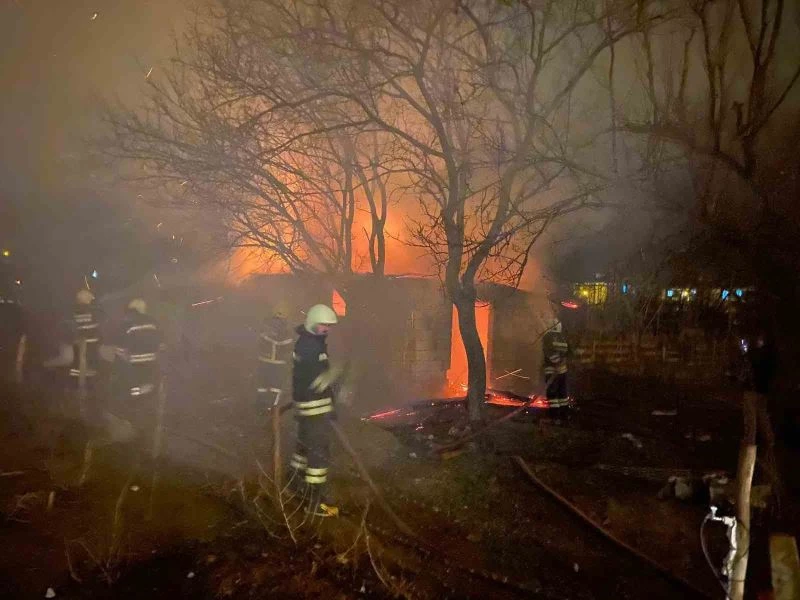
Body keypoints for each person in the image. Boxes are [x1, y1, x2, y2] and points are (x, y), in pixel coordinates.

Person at [291, 303, 341, 518]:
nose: (326, 328)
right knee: (318, 455)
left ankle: (294, 484)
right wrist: (333, 375)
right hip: (314, 408)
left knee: (303, 448)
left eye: (329, 325)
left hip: (308, 407)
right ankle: (314, 502)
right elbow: (314, 380)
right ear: (312, 323)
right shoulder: (310, 346)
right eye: (323, 324)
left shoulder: (310, 342)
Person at [112, 298, 162, 437]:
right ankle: (147, 432)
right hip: (152, 370)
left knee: (128, 395)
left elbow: (120, 351)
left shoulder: (126, 323)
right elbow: (161, 348)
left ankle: (130, 430)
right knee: (147, 398)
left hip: (133, 372)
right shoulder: (154, 323)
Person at [255, 302, 294, 413]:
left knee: (263, 385)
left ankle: (262, 407)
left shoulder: (266, 325)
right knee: (275, 387)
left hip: (264, 361)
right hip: (278, 364)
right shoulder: (286, 329)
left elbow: (261, 340)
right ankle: (273, 409)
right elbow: (286, 345)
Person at [542, 317, 569, 410]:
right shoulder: (563, 337)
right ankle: (564, 414)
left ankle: (554, 415)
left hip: (551, 371)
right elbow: (568, 352)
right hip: (562, 371)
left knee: (552, 393)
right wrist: (562, 364)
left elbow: (548, 351)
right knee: (562, 393)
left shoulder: (547, 337)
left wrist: (556, 362)